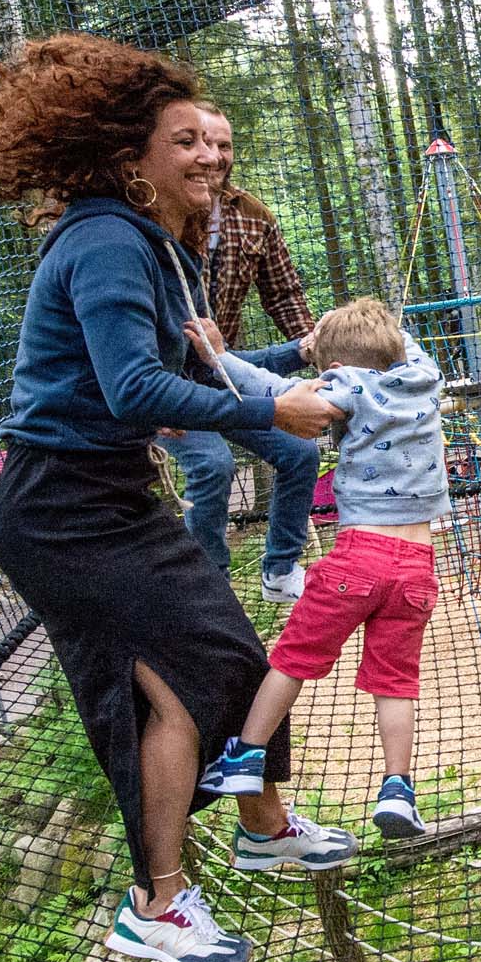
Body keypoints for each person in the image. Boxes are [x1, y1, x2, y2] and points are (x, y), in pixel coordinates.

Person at [0, 34, 350, 962]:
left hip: (111, 501)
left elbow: (192, 371)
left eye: (216, 144)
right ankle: (156, 904)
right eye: (184, 141)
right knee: (169, 689)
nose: (210, 158)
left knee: (228, 661)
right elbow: (136, 390)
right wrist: (268, 408)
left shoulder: (153, 246)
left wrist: (299, 369)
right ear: (128, 155)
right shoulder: (105, 240)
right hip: (64, 512)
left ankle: (263, 829)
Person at [188, 298, 448, 842]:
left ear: (334, 370)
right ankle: (398, 787)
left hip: (361, 556)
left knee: (293, 658)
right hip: (418, 569)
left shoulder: (346, 391)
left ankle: (245, 757)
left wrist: (219, 357)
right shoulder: (425, 376)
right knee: (395, 681)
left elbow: (278, 395)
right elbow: (403, 344)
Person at [161, 105, 321, 603]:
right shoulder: (161, 213)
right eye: (199, 143)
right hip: (160, 377)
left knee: (299, 451)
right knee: (212, 466)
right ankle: (212, 587)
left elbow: (285, 294)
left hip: (218, 371)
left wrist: (317, 348)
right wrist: (156, 398)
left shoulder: (252, 216)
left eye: (223, 145)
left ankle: (279, 569)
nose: (213, 156)